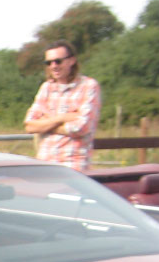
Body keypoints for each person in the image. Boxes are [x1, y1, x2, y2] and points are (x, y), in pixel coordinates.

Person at [23, 40, 101, 169]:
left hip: (73, 166)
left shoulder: (88, 86)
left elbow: (82, 128)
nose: (53, 66)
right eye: (48, 63)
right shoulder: (47, 88)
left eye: (58, 61)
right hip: (45, 163)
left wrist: (46, 123)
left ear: (72, 61)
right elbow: (30, 126)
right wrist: (62, 118)